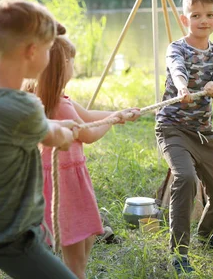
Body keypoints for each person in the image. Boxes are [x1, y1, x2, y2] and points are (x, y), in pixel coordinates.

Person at [0, 0, 77, 278]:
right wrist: (65, 129)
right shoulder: (21, 107)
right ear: (31, 51)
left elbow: (27, 127)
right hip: (10, 236)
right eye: (49, 49)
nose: (51, 57)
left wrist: (57, 125)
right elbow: (57, 138)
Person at [28, 35, 139, 279]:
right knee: (75, 251)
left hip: (63, 179)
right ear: (62, 64)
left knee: (86, 236)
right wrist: (113, 121)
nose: (74, 67)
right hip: (66, 182)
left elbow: (87, 115)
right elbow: (88, 134)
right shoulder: (60, 105)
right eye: (72, 62)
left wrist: (117, 113)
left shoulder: (48, 98)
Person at [154, 0, 213, 275]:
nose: (204, 20)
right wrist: (183, 86)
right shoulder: (177, 48)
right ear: (185, 20)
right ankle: (179, 253)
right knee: (185, 178)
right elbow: (177, 69)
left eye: (209, 15)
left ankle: (205, 233)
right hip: (172, 128)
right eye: (196, 15)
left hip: (203, 132)